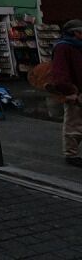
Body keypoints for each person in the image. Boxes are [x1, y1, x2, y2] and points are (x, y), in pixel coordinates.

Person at [51, 19, 82, 167]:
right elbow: (60, 72)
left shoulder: (78, 46)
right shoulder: (63, 47)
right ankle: (71, 154)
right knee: (73, 124)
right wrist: (69, 90)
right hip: (75, 91)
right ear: (75, 32)